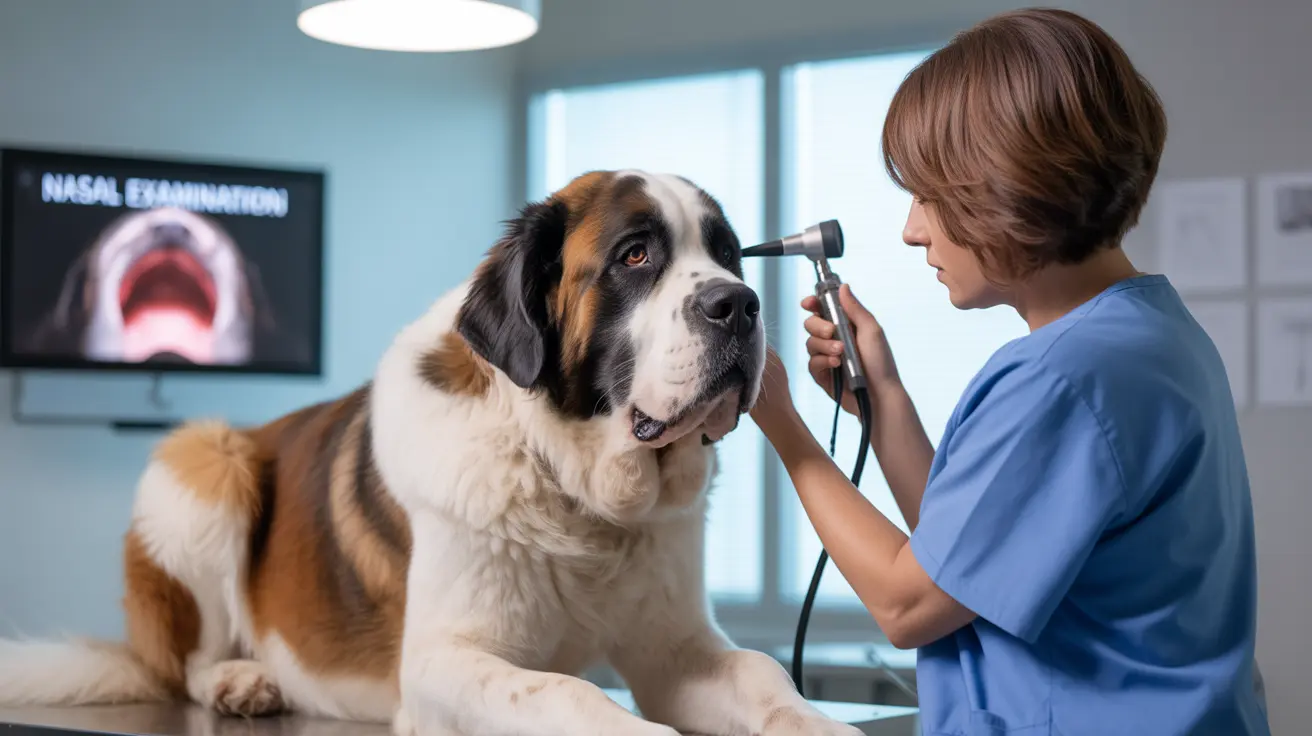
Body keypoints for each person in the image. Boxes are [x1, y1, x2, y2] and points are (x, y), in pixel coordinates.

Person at [748, 8, 1272, 736]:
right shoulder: (1154, 336)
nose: (913, 229)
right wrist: (886, 398)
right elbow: (971, 558)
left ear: (1006, 184)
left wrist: (781, 423)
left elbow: (909, 605)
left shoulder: (1063, 377)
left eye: (929, 194)